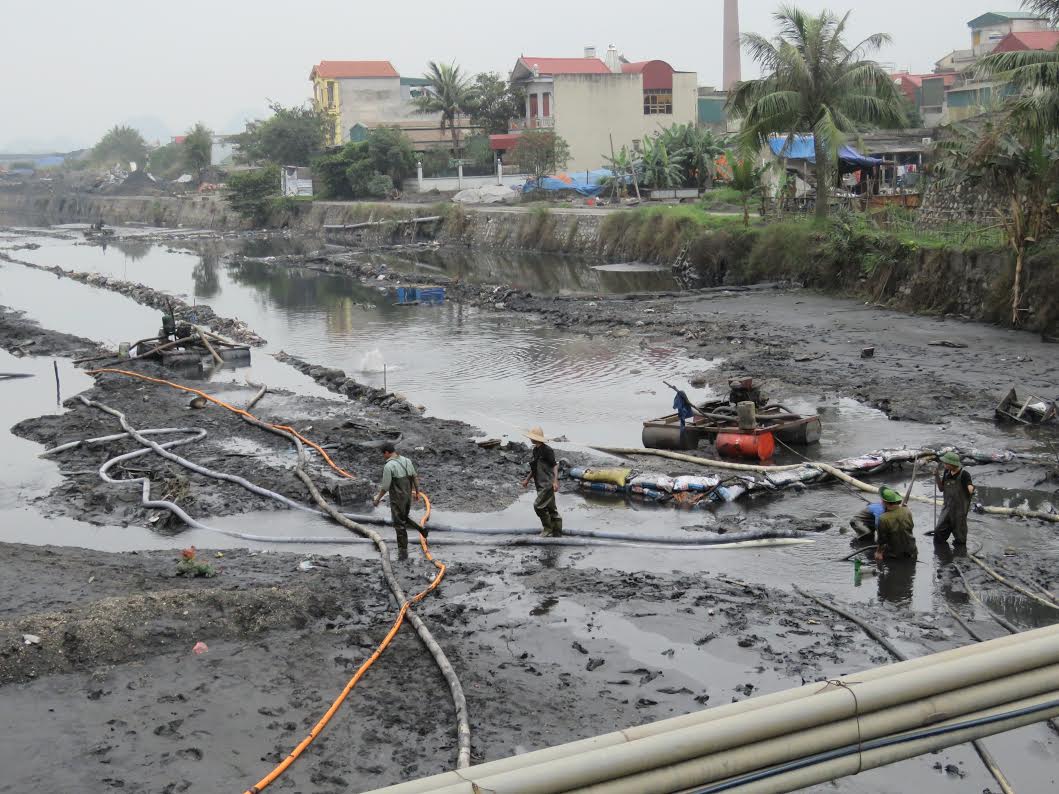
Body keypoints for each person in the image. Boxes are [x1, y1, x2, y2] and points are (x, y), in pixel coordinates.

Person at [372, 442, 422, 558]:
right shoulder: (407, 461)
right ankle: (420, 529)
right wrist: (417, 492)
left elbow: (385, 487)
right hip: (407, 497)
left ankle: (403, 550)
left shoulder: (389, 466)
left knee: (399, 524)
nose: (383, 456)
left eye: (383, 454)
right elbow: (414, 477)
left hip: (397, 499)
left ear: (387, 452)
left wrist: (377, 499)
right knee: (404, 518)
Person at [521, 426, 562, 537]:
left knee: (538, 506)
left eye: (532, 437)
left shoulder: (547, 450)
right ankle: (557, 532)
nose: (530, 439)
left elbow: (554, 466)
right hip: (539, 483)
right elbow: (534, 468)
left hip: (547, 484)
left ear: (537, 438)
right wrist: (527, 480)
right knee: (551, 508)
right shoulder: (535, 450)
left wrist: (555, 482)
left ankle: (548, 528)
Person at [934, 451, 975, 547]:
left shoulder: (964, 474)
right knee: (938, 533)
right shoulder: (946, 472)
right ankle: (942, 557)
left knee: (960, 539)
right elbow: (941, 489)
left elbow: (970, 487)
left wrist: (971, 488)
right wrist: (936, 476)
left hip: (959, 511)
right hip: (947, 509)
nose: (944, 465)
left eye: (946, 463)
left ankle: (960, 558)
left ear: (952, 464)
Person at [875, 487, 917, 562]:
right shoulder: (907, 511)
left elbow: (881, 540)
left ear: (884, 502)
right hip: (912, 551)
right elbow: (911, 527)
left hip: (894, 555)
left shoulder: (883, 518)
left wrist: (878, 552)